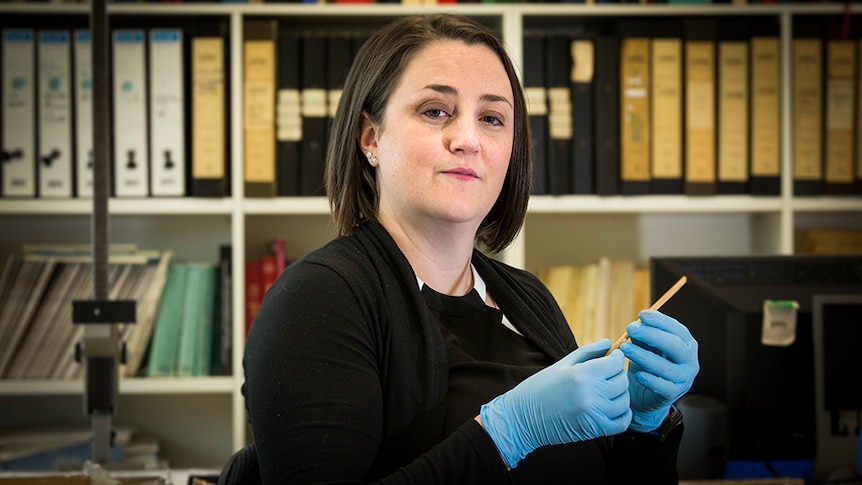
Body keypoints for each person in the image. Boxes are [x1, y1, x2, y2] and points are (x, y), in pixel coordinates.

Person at [242, 13, 699, 484]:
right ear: (371, 137)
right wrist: (507, 434)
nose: (467, 140)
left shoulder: (529, 299)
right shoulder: (316, 301)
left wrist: (645, 428)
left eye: (492, 118)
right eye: (435, 111)